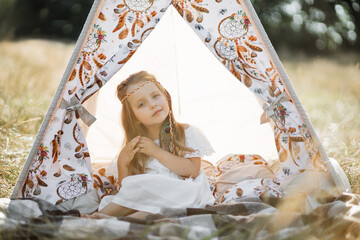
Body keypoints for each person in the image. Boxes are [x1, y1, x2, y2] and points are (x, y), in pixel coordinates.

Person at [83, 70, 215, 219]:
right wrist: (122, 163)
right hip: (151, 201)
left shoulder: (186, 132)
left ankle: (96, 218)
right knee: (137, 200)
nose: (153, 105)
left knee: (147, 187)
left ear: (165, 96)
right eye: (142, 104)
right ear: (134, 117)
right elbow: (127, 190)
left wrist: (156, 152)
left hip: (184, 194)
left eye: (155, 96)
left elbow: (193, 170)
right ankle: (121, 219)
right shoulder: (137, 146)